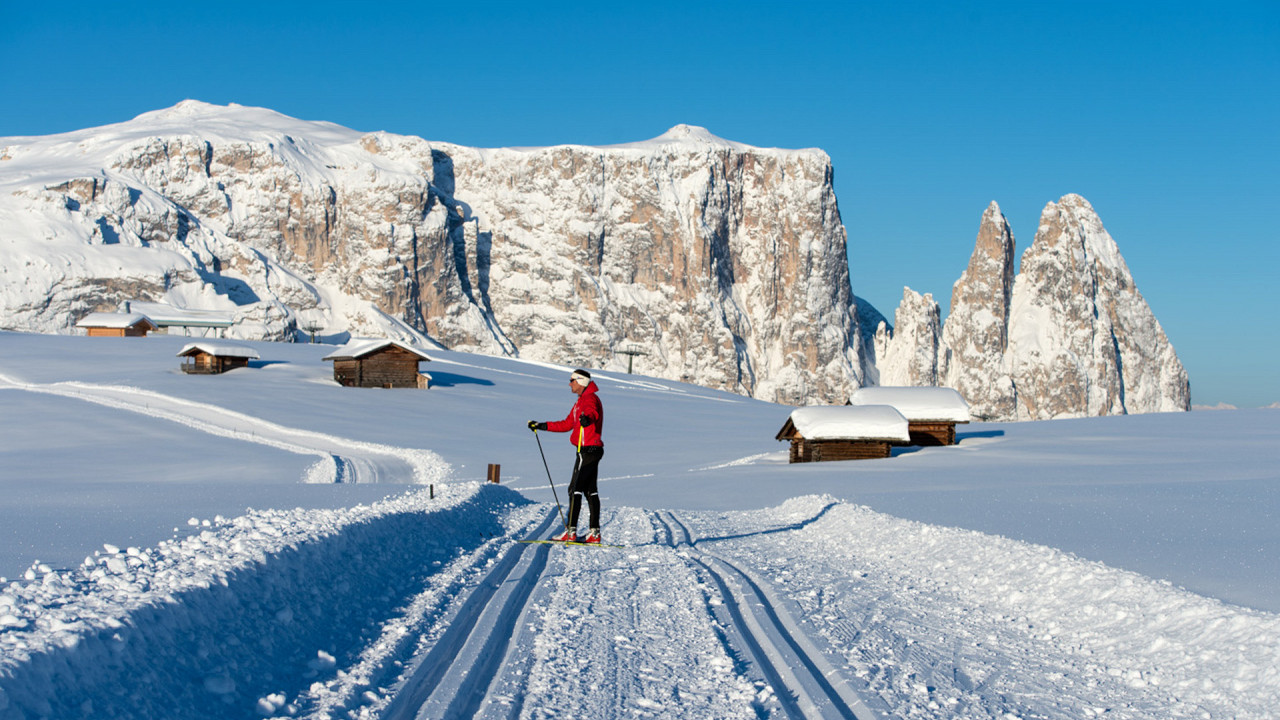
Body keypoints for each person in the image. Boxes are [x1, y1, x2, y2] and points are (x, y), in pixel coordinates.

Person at [528, 369, 604, 544]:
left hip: (588, 450)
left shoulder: (589, 399)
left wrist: (588, 420)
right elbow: (568, 423)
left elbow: (592, 413)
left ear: (581, 381)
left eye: (572, 380)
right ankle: (594, 533)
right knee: (590, 491)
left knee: (574, 489)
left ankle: (571, 532)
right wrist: (541, 426)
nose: (570, 384)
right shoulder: (581, 401)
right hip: (588, 450)